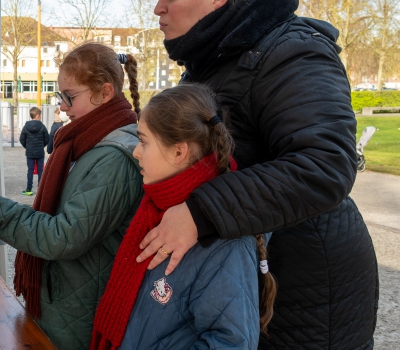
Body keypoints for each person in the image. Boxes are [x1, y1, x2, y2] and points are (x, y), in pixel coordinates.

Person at [140, 0, 378, 348]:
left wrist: (201, 213)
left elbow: (324, 164)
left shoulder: (293, 50)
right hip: (246, 274)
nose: (158, 9)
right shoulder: (211, 61)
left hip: (302, 287)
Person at [0, 44, 143, 350]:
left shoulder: (113, 157)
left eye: (70, 96)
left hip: (82, 310)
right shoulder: (88, 141)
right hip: (68, 301)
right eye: (60, 95)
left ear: (104, 92)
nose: (62, 106)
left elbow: (65, 235)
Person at [91, 84, 273, 350]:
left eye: (143, 141)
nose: (136, 152)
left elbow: (230, 342)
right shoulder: (155, 208)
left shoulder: (226, 244)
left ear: (179, 151)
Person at [19, 107, 49, 196]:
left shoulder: (26, 127)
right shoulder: (42, 126)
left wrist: (27, 147)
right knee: (40, 170)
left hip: (30, 152)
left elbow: (22, 139)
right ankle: (40, 188)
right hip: (40, 152)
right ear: (38, 115)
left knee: (30, 170)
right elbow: (47, 139)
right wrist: (41, 146)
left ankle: (29, 189)